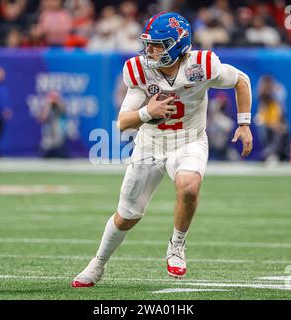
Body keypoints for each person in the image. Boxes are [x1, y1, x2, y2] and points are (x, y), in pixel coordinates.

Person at [72, 12, 253, 287]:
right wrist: (148, 111)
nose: (151, 50)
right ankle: (98, 263)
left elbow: (241, 80)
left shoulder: (202, 65)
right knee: (126, 217)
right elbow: (123, 122)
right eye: (150, 44)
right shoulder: (140, 70)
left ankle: (177, 245)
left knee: (189, 185)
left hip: (189, 140)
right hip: (150, 145)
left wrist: (244, 123)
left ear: (178, 45)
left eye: (158, 45)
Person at [38, 91, 67, 158]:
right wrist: (48, 106)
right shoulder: (46, 106)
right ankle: (46, 154)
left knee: (58, 141)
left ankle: (60, 153)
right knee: (47, 143)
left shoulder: (60, 105)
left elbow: (63, 112)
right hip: (48, 128)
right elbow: (42, 118)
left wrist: (57, 103)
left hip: (57, 127)